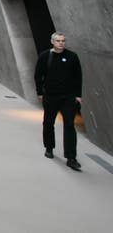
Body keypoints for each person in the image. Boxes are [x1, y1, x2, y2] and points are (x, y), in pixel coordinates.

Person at [34, 32, 83, 171]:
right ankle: (49, 147)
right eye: (58, 41)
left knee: (69, 125)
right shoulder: (45, 56)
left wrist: (78, 95)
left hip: (68, 97)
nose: (61, 43)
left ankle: (71, 157)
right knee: (48, 122)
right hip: (51, 96)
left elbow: (78, 76)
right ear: (52, 42)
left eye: (63, 41)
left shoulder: (72, 57)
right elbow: (38, 75)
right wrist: (40, 92)